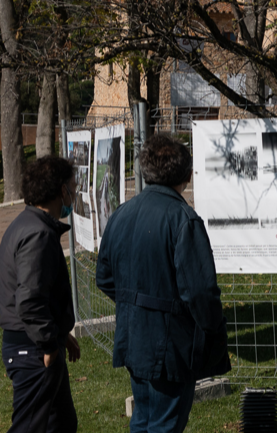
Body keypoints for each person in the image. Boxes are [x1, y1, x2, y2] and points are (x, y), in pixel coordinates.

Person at [96, 134, 230, 433]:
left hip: (134, 337)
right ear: (187, 175)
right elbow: (201, 293)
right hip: (169, 346)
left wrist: (136, 303)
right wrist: (212, 329)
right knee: (162, 424)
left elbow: (104, 277)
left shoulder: (121, 214)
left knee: (144, 420)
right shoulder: (183, 220)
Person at [0, 157, 80, 433]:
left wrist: (60, 334)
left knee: (61, 424)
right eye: (73, 186)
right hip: (32, 349)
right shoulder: (38, 234)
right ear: (61, 190)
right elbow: (29, 301)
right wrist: (48, 344)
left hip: (35, 344)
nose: (75, 191)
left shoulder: (28, 224)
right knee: (30, 427)